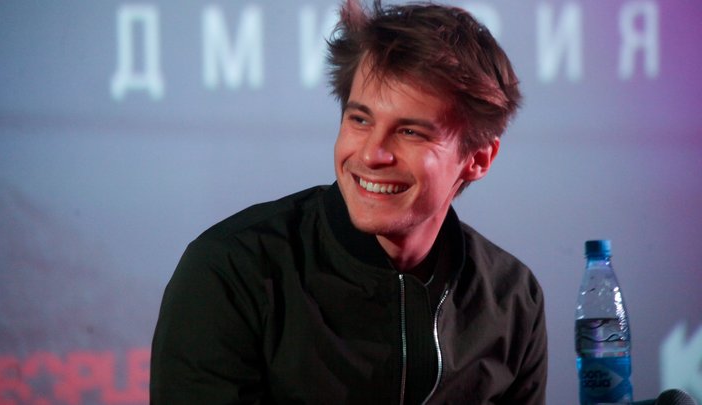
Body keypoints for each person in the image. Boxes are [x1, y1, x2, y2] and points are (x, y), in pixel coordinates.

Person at [150, 0, 547, 403]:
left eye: (410, 132)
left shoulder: (512, 299)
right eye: (360, 120)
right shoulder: (232, 271)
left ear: (478, 159)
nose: (372, 154)